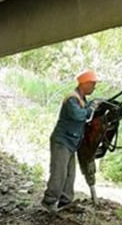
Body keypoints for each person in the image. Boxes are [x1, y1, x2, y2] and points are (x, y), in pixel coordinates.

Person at [42, 69, 99, 212]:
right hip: (62, 141)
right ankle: (49, 201)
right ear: (84, 84)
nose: (94, 87)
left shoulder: (81, 99)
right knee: (59, 172)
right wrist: (90, 109)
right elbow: (78, 115)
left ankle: (65, 201)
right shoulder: (71, 99)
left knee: (70, 174)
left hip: (71, 142)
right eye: (92, 84)